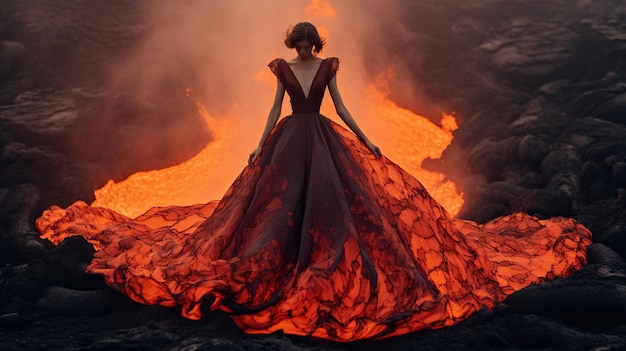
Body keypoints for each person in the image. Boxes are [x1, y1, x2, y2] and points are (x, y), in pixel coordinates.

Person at [37, 22, 592, 342]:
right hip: (296, 139)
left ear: (310, 44)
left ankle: (308, 262)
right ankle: (296, 262)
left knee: (323, 208)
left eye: (305, 44)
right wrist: (257, 144)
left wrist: (369, 141)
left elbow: (340, 109)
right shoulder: (290, 68)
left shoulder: (321, 69)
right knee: (292, 210)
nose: (303, 50)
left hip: (310, 138)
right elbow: (276, 108)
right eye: (301, 44)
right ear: (300, 43)